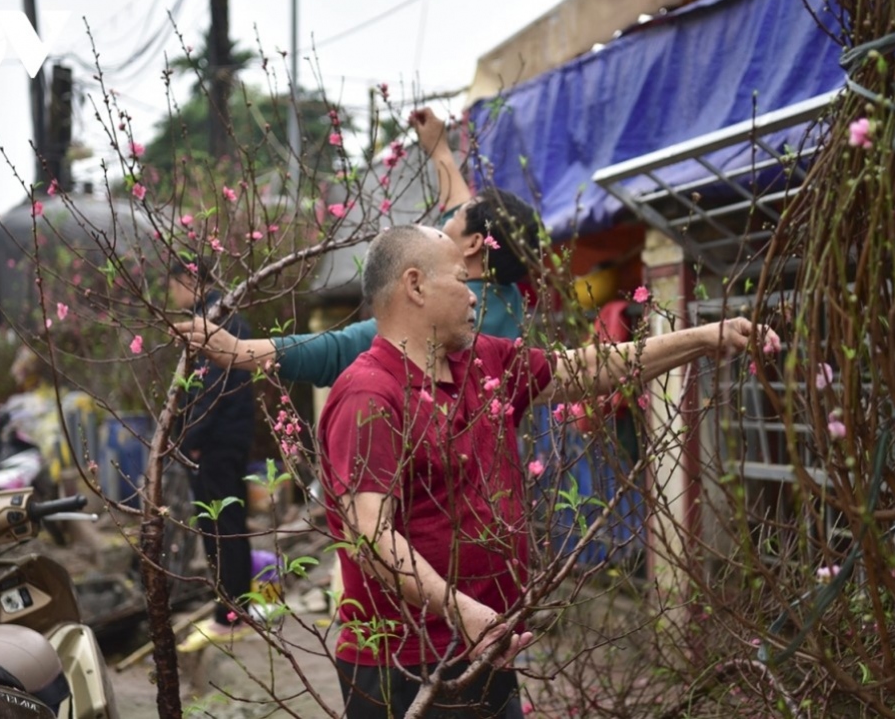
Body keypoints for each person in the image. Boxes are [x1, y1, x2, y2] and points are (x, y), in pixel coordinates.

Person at [305, 225, 777, 718]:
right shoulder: (369, 395)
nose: (474, 295)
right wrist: (461, 610)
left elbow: (585, 370)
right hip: (405, 665)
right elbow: (372, 533)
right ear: (416, 285)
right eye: (462, 280)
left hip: (487, 640)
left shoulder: (482, 360)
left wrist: (702, 339)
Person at [174, 107, 540, 386]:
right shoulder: (505, 297)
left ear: (476, 244)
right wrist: (440, 148)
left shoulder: (444, 307)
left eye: (456, 220)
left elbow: (338, 349)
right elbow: (462, 205)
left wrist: (239, 351)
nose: (446, 219)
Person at [168, 258, 259, 652]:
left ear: (191, 279)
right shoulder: (215, 317)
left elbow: (209, 392)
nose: (171, 293)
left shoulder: (214, 323)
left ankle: (233, 612)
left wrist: (190, 437)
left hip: (214, 443)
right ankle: (232, 608)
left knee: (222, 526)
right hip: (221, 440)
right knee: (221, 525)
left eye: (174, 283)